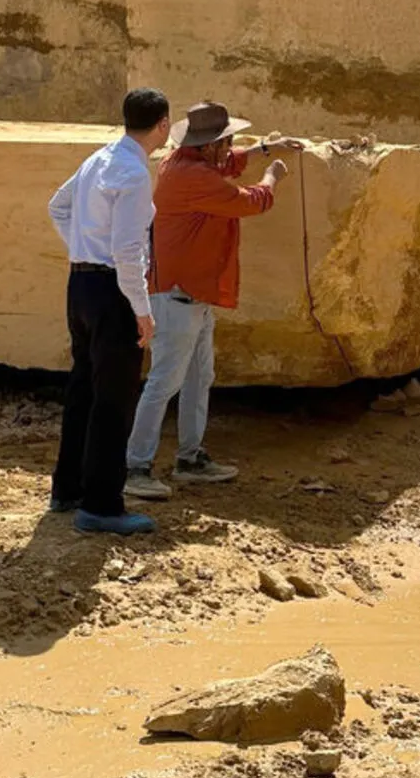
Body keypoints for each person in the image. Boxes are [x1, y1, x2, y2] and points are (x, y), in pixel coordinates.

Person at [124, 100, 298, 500]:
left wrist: (265, 149)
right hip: (179, 295)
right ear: (206, 147)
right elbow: (249, 201)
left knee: (199, 378)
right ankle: (135, 467)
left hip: (191, 295)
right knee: (164, 382)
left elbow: (229, 164)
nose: (229, 148)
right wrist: (272, 176)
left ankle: (190, 458)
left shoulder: (185, 163)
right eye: (224, 142)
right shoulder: (192, 176)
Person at [47, 88, 171, 536]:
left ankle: (68, 488)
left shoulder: (97, 159)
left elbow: (57, 207)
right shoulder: (134, 173)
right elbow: (128, 249)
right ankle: (100, 503)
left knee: (83, 386)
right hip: (111, 289)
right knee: (114, 399)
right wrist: (142, 310)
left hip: (80, 283)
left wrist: (83, 248)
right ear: (162, 125)